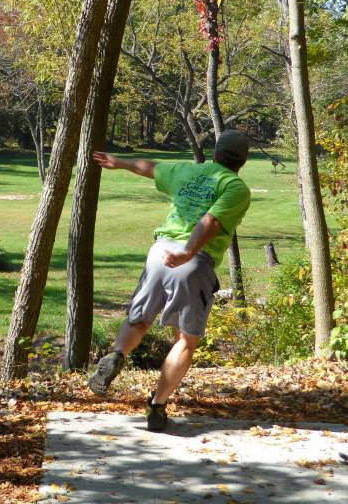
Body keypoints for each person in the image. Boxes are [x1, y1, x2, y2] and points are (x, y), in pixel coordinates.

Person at [88, 129, 252, 432]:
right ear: (243, 160)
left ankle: (117, 354)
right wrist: (189, 252)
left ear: (215, 153)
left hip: (159, 252)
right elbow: (211, 221)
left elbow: (151, 168)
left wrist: (119, 161)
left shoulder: (189, 171)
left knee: (139, 319)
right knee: (186, 341)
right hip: (192, 262)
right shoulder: (235, 186)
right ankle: (158, 405)